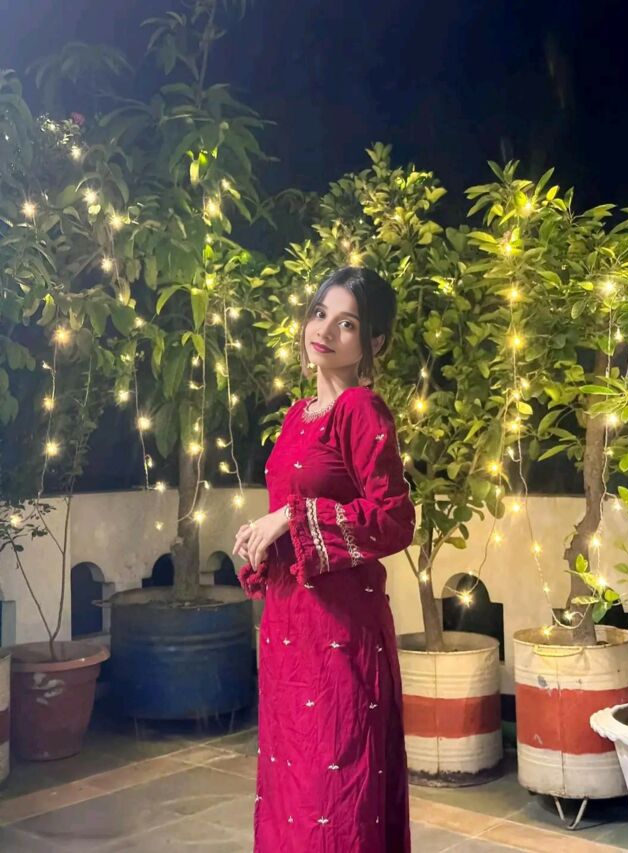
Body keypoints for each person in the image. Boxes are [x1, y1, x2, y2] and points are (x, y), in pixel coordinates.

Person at [233, 266, 415, 852]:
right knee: (292, 793)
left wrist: (291, 517)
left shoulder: (361, 409)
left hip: (340, 637)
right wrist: (262, 537)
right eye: (319, 314)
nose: (325, 331)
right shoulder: (297, 415)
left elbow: (393, 520)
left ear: (374, 342)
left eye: (347, 324)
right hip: (288, 633)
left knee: (335, 796)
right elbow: (294, 514)